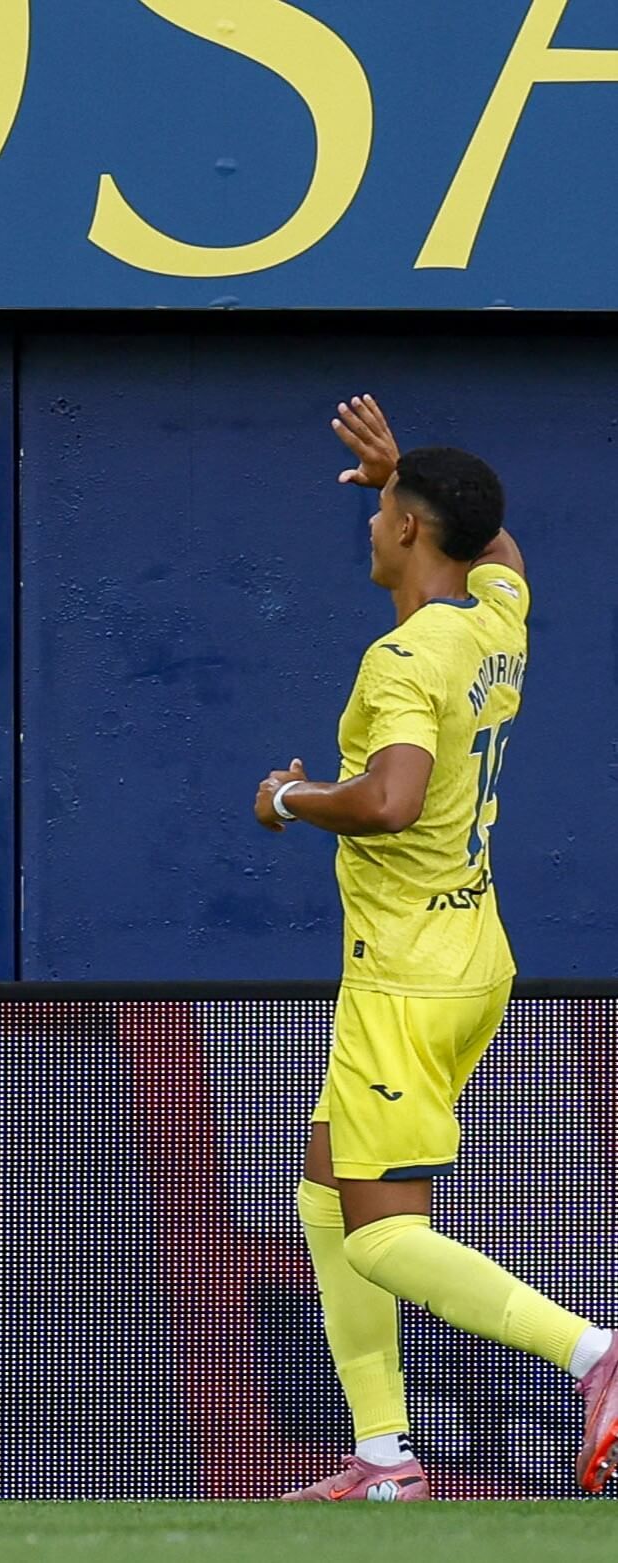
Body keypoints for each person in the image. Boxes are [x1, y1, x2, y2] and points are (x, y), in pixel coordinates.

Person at [260, 396, 618, 1500]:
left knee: (376, 1234)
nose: (371, 527)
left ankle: (595, 1355)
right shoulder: (494, 618)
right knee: (326, 1191)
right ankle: (383, 1457)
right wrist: (398, 471)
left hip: (409, 973)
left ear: (411, 530)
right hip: (467, 957)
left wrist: (287, 799)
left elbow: (390, 801)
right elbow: (500, 548)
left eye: (383, 514)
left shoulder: (405, 656)